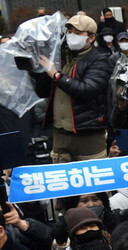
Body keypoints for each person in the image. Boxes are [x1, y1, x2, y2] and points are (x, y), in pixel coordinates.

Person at [30, 15, 111, 163]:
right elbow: (43, 93)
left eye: (78, 33)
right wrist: (39, 72)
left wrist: (56, 75)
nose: (71, 36)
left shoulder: (99, 60)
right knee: (63, 179)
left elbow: (87, 90)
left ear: (91, 38)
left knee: (92, 177)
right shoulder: (61, 57)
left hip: (87, 133)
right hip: (60, 133)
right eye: (69, 32)